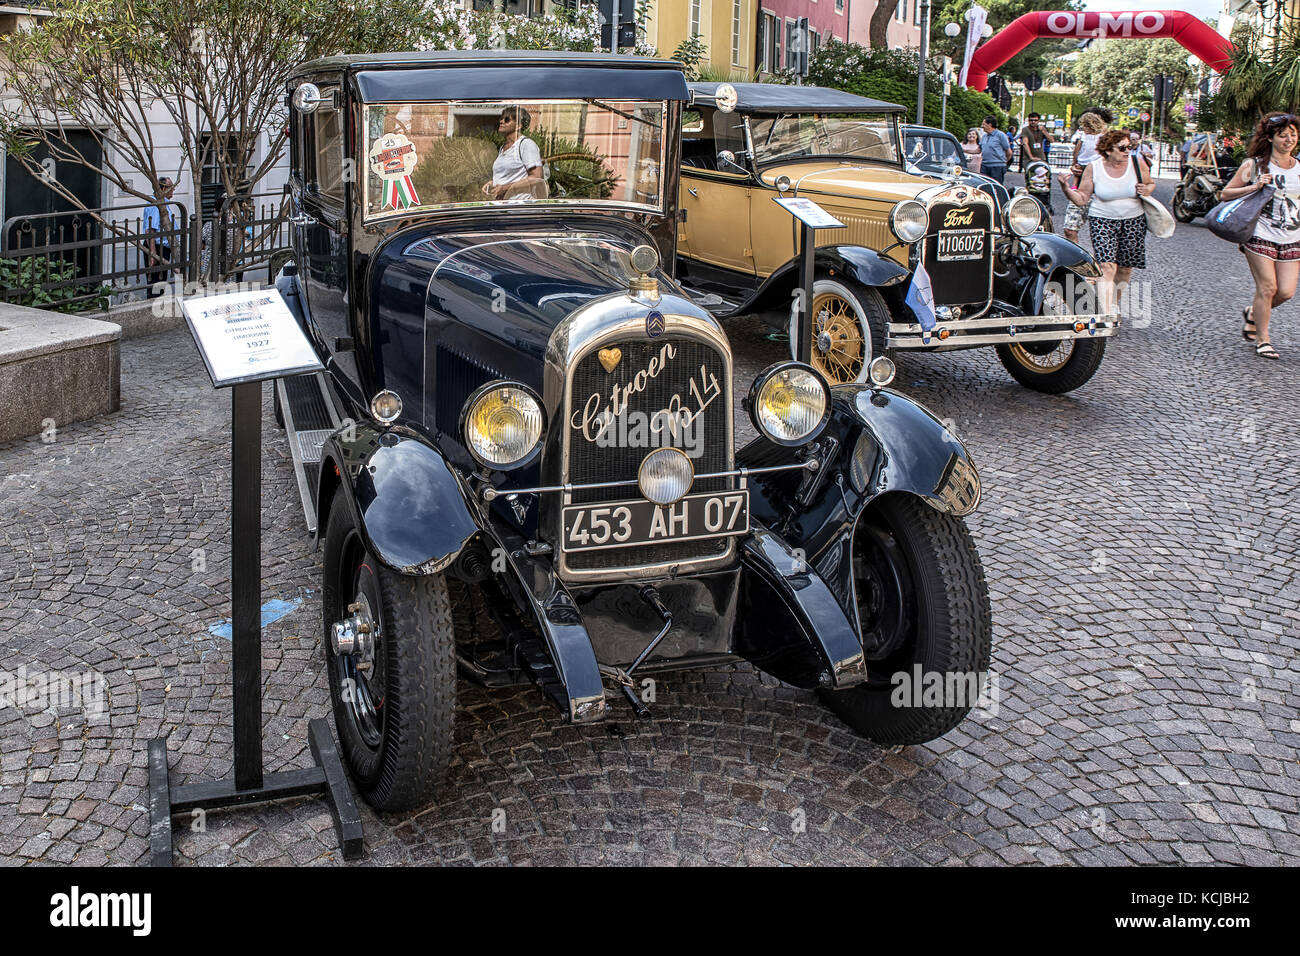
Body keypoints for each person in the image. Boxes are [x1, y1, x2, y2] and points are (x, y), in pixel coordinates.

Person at [1218, 111, 1300, 360]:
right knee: (1268, 287)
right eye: (1283, 135)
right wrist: (1255, 186)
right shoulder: (1254, 165)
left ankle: (1253, 312)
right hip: (1260, 232)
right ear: (1271, 138)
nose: (1289, 140)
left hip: (1292, 235)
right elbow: (1225, 194)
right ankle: (1263, 339)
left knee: (1285, 292)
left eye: (1293, 135)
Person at [1058, 128, 1155, 315]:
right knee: (1106, 266)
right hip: (1102, 219)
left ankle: (1114, 302)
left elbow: (1150, 183)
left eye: (1129, 146)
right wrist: (1065, 187)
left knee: (1125, 268)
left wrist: (1147, 189)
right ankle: (1105, 312)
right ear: (1109, 150)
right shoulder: (1094, 167)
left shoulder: (1137, 163)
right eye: (1123, 147)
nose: (1128, 150)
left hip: (1133, 219)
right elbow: (1081, 199)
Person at [1063, 111, 1108, 242]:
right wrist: (1074, 166)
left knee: (1102, 232)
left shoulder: (1104, 139)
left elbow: (1077, 154)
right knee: (1069, 229)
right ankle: (1075, 259)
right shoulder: (1085, 137)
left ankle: (1101, 261)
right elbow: (1076, 156)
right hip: (1082, 183)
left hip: (1099, 188)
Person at [485, 106, 544, 200]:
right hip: (504, 207)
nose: (501, 121)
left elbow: (536, 177)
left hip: (519, 209)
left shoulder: (526, 145)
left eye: (507, 119)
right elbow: (511, 176)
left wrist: (505, 188)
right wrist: (493, 183)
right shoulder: (503, 148)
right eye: (501, 118)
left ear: (518, 125)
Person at [143, 177, 176, 297]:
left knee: (160, 281)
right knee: (157, 282)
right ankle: (154, 305)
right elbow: (151, 229)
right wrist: (153, 253)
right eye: (171, 188)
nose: (173, 191)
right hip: (158, 246)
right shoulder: (157, 204)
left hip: (161, 246)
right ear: (163, 188)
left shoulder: (160, 201)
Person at [979, 115, 1011, 184]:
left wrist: (1004, 162)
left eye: (983, 124)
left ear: (989, 125)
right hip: (984, 165)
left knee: (996, 186)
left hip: (997, 167)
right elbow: (978, 150)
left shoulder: (1000, 135)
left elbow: (1008, 152)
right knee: (984, 185)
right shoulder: (984, 136)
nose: (982, 126)